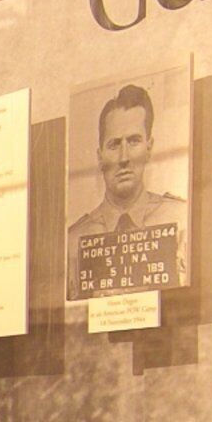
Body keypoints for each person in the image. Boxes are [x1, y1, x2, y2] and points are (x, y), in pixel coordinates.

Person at [66, 82, 183, 294]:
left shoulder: (180, 220)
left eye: (134, 141)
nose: (124, 158)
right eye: (114, 144)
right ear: (100, 156)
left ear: (149, 148)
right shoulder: (73, 241)